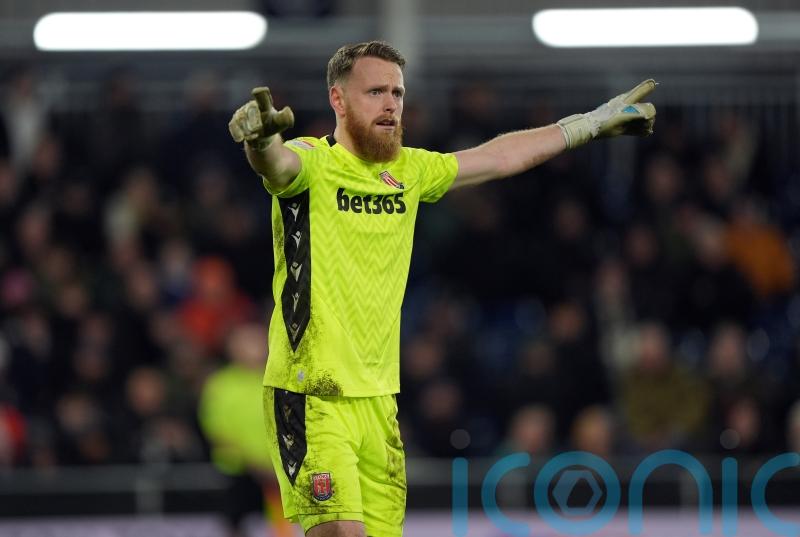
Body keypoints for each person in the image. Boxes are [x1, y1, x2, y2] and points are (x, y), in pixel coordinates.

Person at [228, 40, 656, 537]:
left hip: (379, 401)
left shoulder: (409, 171)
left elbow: (498, 157)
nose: (390, 105)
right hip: (310, 393)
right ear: (338, 101)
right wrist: (258, 143)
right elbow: (276, 165)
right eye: (375, 92)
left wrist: (585, 125)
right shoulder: (311, 162)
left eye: (398, 93)